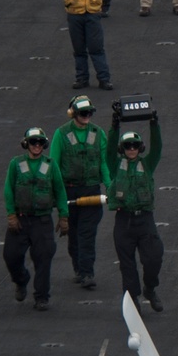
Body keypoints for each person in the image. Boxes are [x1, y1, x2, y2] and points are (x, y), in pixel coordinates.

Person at [2, 126, 69, 311]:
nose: (37, 145)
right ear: (26, 144)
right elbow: (8, 190)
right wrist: (11, 215)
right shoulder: (16, 164)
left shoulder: (51, 165)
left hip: (42, 221)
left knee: (43, 258)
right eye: (33, 142)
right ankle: (21, 280)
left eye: (40, 142)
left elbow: (60, 191)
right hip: (21, 220)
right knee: (11, 255)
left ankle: (42, 296)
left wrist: (64, 217)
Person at [49, 95, 111, 290]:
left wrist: (110, 186)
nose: (87, 116)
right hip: (69, 192)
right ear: (73, 114)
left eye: (89, 113)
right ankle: (78, 267)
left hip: (91, 191)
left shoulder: (99, 133)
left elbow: (105, 163)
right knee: (74, 235)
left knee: (87, 234)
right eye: (83, 113)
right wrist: (55, 194)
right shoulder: (61, 134)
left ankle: (87, 272)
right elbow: (54, 165)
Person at [107, 106, 164, 312]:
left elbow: (157, 147)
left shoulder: (148, 164)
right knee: (127, 265)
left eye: (135, 145)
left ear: (140, 148)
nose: (131, 148)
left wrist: (153, 123)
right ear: (122, 148)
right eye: (127, 145)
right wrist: (115, 126)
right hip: (124, 221)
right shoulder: (115, 165)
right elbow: (108, 147)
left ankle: (150, 288)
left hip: (145, 219)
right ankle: (133, 301)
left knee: (154, 258)